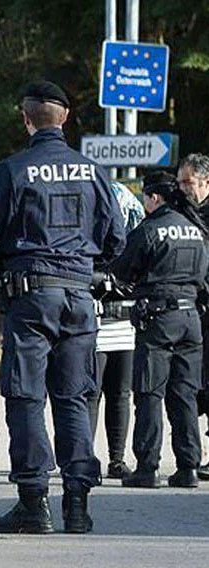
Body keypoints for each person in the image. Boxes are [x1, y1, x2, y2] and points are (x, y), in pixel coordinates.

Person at [0, 81, 125, 535]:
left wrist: (3, 276)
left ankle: (33, 504)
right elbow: (116, 238)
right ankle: (77, 505)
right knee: (75, 396)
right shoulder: (94, 171)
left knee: (25, 397)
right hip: (79, 296)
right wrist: (86, 268)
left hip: (31, 296)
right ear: (66, 117)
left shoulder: (15, 170)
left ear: (25, 119)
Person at [109, 171, 209, 489]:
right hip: (192, 319)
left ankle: (147, 467)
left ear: (153, 198)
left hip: (159, 319)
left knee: (150, 393)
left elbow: (122, 270)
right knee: (184, 395)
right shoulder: (197, 228)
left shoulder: (151, 228)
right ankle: (188, 467)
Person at [88, 181, 145, 480]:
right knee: (91, 394)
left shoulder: (137, 242)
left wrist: (112, 286)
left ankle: (117, 459)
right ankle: (85, 458)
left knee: (120, 394)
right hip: (96, 326)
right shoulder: (89, 241)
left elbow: (138, 281)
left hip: (125, 327)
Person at [177, 153, 209, 480]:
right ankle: (191, 454)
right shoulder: (180, 215)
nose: (184, 188)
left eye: (190, 182)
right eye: (181, 182)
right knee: (191, 384)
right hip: (190, 308)